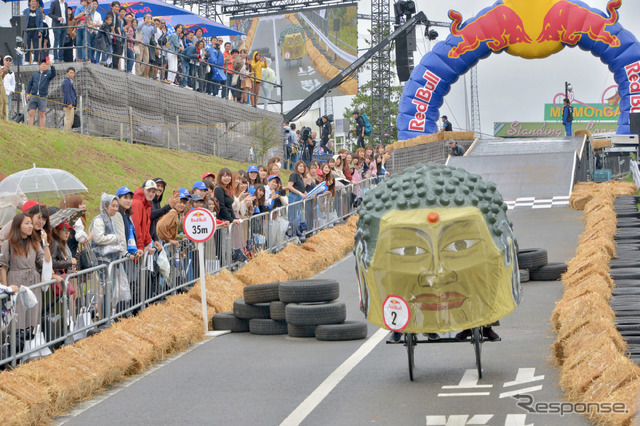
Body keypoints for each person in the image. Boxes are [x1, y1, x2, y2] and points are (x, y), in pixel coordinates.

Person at [0, 213, 51, 330]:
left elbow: (46, 262)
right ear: (18, 225)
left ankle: (33, 342)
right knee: (18, 316)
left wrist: (45, 243)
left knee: (33, 315)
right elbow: (3, 267)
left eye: (31, 224)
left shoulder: (35, 242)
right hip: (16, 280)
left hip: (33, 281)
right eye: (27, 223)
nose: (30, 226)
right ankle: (18, 345)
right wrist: (6, 288)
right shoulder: (8, 243)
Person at [131, 180, 162, 254]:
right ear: (143, 190)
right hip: (134, 248)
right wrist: (140, 247)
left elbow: (146, 228)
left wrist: (148, 243)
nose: (151, 194)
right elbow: (136, 227)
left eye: (153, 192)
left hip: (139, 247)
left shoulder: (147, 205)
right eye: (149, 190)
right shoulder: (137, 203)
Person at [26, 59, 56, 128]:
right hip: (33, 96)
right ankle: (29, 127)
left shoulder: (48, 74)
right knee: (31, 113)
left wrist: (51, 65)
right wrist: (28, 93)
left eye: (45, 65)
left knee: (42, 113)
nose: (44, 66)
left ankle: (41, 129)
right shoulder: (35, 74)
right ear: (40, 65)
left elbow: (54, 74)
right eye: (42, 64)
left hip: (42, 96)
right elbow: (30, 84)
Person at [24, 0, 45, 64]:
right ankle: (27, 60)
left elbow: (41, 22)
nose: (33, 3)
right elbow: (23, 21)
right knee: (27, 46)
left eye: (35, 1)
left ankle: (36, 60)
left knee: (36, 46)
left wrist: (40, 30)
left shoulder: (39, 12)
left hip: (36, 30)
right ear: (29, 3)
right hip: (27, 30)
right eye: (32, 1)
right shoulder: (25, 11)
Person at [136, 13, 155, 78]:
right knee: (139, 58)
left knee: (146, 60)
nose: (148, 18)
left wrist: (154, 25)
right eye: (147, 17)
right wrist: (144, 22)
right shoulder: (141, 24)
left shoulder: (151, 27)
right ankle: (137, 73)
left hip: (147, 44)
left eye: (149, 17)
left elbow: (154, 32)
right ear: (144, 18)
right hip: (140, 43)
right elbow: (137, 28)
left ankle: (140, 72)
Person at [62, 67, 76, 131]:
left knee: (71, 120)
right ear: (67, 73)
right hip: (68, 104)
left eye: (73, 73)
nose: (72, 74)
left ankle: (67, 132)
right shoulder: (66, 81)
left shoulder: (70, 81)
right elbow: (66, 93)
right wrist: (69, 103)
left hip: (71, 103)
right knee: (68, 119)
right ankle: (67, 133)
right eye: (70, 73)